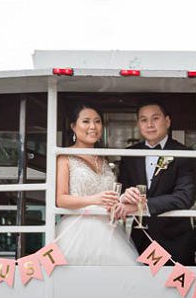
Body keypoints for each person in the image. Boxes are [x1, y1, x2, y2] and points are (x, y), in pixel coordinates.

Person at [115, 101, 196, 265]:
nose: (150, 125)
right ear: (138, 124)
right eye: (143, 120)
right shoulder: (129, 154)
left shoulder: (184, 154)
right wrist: (126, 196)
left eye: (155, 118)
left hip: (175, 242)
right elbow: (123, 189)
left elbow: (184, 197)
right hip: (139, 241)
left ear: (167, 121)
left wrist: (142, 206)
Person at [55, 103, 138, 265]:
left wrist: (121, 202)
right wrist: (95, 200)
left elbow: (110, 195)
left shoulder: (104, 160)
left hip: (110, 230)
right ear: (73, 126)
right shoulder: (64, 157)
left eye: (97, 121)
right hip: (77, 230)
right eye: (86, 121)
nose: (93, 126)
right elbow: (61, 199)